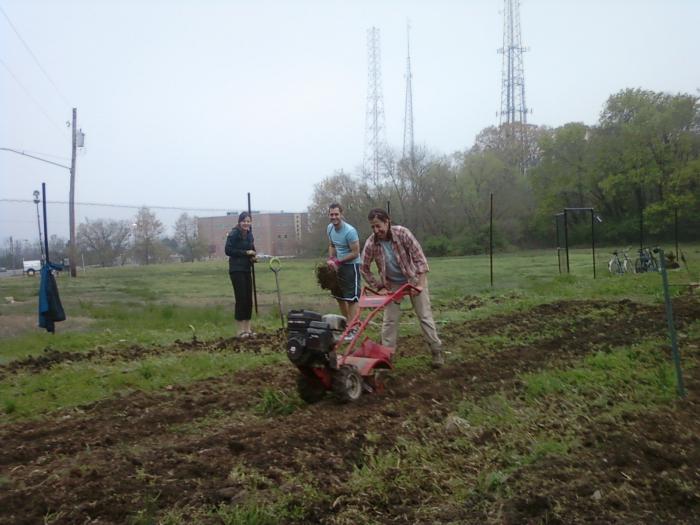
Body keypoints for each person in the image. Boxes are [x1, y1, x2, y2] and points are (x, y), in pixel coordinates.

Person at [360, 208, 444, 368]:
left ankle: (436, 351)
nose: (376, 230)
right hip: (392, 284)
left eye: (378, 226)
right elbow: (364, 268)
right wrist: (379, 287)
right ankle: (386, 356)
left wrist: (419, 284)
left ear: (387, 221)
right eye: (373, 227)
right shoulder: (372, 242)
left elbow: (420, 259)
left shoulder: (403, 234)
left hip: (413, 278)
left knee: (424, 316)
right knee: (389, 321)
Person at [326, 203, 361, 328]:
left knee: (351, 299)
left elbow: (356, 253)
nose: (334, 217)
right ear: (328, 215)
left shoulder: (350, 231)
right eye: (331, 214)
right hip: (337, 266)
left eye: (336, 214)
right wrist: (331, 259)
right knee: (339, 297)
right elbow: (332, 245)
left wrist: (339, 261)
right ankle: (348, 324)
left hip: (351, 266)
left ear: (341, 215)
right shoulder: (329, 228)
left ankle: (354, 327)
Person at [225, 212, 256, 337]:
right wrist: (245, 253)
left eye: (248, 221)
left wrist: (253, 256)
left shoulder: (249, 234)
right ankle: (240, 330)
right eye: (244, 221)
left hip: (247, 269)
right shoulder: (234, 234)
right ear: (239, 222)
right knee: (241, 299)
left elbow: (252, 249)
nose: (246, 223)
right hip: (236, 269)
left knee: (248, 299)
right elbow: (228, 250)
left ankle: (248, 329)